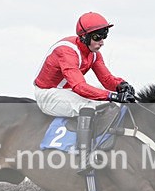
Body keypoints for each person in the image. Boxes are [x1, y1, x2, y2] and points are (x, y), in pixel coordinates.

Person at [33, 12, 135, 171]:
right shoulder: (66, 52)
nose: (102, 42)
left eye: (104, 36)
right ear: (84, 37)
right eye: (97, 37)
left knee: (108, 100)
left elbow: (107, 79)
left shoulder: (94, 54)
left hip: (66, 92)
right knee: (87, 106)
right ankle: (84, 158)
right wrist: (112, 95)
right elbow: (79, 87)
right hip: (47, 94)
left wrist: (121, 85)